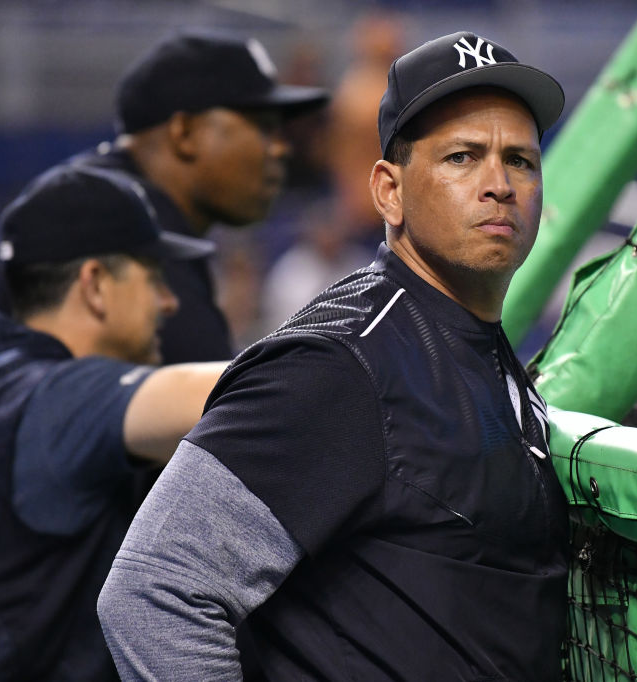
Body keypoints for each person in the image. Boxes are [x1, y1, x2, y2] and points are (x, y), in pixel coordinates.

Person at [98, 30, 570, 680]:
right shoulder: (344, 363)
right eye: (462, 157)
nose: (499, 184)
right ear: (389, 192)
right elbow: (156, 589)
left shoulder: (472, 344)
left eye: (520, 159)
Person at [0, 166, 230, 680]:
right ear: (95, 284)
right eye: (152, 276)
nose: (169, 302)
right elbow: (246, 391)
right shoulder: (61, 398)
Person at [0, 27, 329, 363]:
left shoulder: (107, 191)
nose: (280, 148)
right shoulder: (108, 219)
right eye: (262, 126)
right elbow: (226, 421)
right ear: (184, 133)